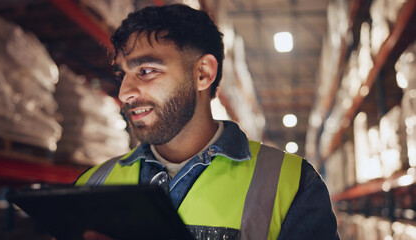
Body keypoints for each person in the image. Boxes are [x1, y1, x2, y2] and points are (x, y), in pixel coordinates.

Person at [75, 4, 339, 240]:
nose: (124, 93)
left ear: (203, 73)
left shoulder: (292, 184)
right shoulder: (91, 184)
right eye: (123, 75)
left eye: (146, 71)